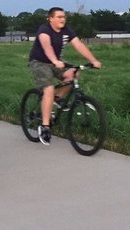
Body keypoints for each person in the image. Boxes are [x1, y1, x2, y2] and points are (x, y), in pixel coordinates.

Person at [28, 7, 102, 145]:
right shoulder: (44, 30)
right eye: (59, 17)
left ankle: (56, 98)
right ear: (50, 18)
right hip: (39, 62)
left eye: (64, 17)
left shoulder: (66, 30)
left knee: (74, 73)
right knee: (48, 89)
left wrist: (93, 60)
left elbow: (78, 45)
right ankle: (45, 127)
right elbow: (47, 46)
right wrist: (55, 60)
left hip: (57, 62)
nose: (62, 19)